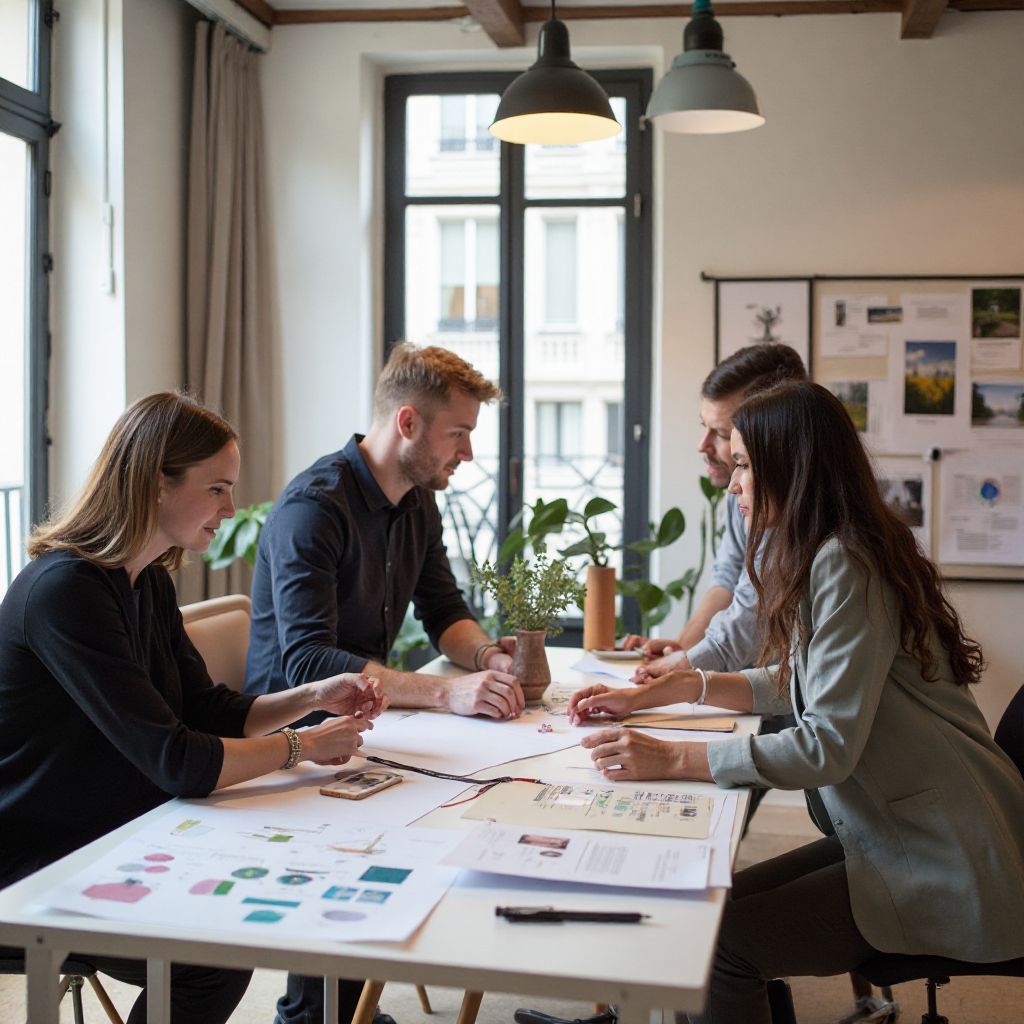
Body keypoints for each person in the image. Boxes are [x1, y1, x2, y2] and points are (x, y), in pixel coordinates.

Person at [569, 380, 1024, 1024]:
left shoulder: (845, 561)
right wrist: (684, 686)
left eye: (746, 465)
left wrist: (671, 758)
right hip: (910, 827)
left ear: (795, 466)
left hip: (941, 855)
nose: (732, 484)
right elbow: (802, 680)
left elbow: (826, 745)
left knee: (715, 946)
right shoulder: (841, 548)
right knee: (703, 917)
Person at [0, 392, 387, 1024]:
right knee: (207, 957)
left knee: (237, 921)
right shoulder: (64, 593)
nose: (231, 509)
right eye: (217, 489)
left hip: (108, 826)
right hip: (34, 856)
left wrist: (310, 700)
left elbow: (207, 709)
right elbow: (177, 761)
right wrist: (304, 746)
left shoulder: (143, 577)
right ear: (157, 484)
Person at [245, 341, 524, 1024]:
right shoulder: (316, 508)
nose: (467, 454)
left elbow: (445, 612)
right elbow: (308, 662)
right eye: (458, 435)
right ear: (408, 423)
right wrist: (445, 692)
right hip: (294, 730)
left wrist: (487, 658)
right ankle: (313, 1014)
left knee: (488, 788)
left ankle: (343, 1008)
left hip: (366, 718)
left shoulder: (417, 504)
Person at [622, 343, 806, 673]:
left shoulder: (783, 507)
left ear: (772, 431)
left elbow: (749, 620)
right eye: (703, 426)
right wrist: (682, 648)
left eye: (721, 433)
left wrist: (676, 670)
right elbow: (727, 579)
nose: (702, 445)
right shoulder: (742, 493)